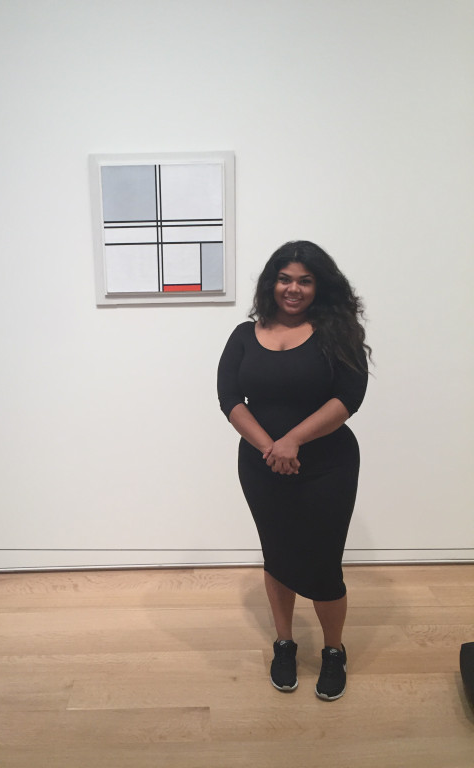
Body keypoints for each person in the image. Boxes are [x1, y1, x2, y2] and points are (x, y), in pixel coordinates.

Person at [217, 240, 370, 701]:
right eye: (285, 278)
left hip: (328, 465)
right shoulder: (244, 335)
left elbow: (349, 397)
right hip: (261, 464)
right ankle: (284, 644)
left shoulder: (337, 332)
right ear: (272, 283)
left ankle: (334, 650)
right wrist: (270, 447)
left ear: (319, 286)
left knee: (323, 563)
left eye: (305, 280)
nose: (294, 288)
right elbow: (229, 398)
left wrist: (293, 440)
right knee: (278, 554)